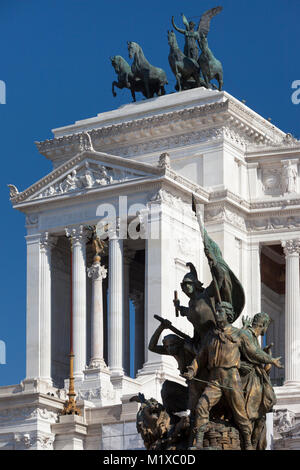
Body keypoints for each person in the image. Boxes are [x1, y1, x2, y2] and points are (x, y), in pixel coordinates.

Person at [183, 302, 283, 450]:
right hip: (214, 379)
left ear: (228, 315)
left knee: (241, 413)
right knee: (201, 406)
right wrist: (192, 370)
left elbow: (254, 352)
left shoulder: (239, 334)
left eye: (220, 312)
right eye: (216, 311)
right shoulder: (211, 335)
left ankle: (248, 443)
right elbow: (200, 357)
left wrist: (271, 360)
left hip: (231, 377)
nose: (217, 314)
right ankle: (198, 442)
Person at [240, 312, 276, 449]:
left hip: (255, 379)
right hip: (247, 380)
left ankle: (254, 444)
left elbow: (258, 359)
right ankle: (249, 443)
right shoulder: (246, 334)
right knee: (253, 415)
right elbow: (250, 354)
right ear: (264, 325)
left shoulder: (253, 337)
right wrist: (268, 359)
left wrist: (267, 356)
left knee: (260, 418)